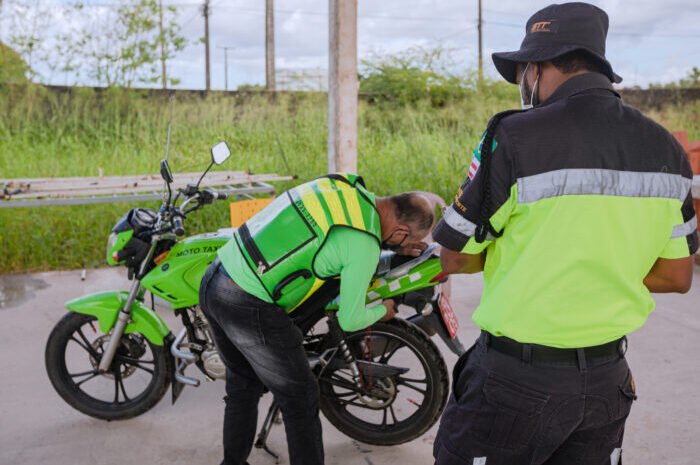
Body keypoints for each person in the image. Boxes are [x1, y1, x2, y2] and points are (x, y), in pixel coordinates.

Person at [431, 3, 697, 465]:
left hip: (515, 382)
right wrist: (599, 268)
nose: (522, 84)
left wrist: (533, 263)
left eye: (522, 73)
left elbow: (454, 256)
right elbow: (677, 276)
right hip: (607, 382)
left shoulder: (513, 136)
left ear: (537, 67)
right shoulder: (667, 147)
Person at [199, 173, 434, 465]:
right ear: (400, 232)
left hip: (216, 276)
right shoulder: (364, 246)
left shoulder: (345, 187)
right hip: (246, 302)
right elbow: (350, 319)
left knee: (242, 386)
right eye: (411, 240)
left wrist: (393, 248)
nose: (408, 244)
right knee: (301, 396)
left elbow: (337, 240)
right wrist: (382, 311)